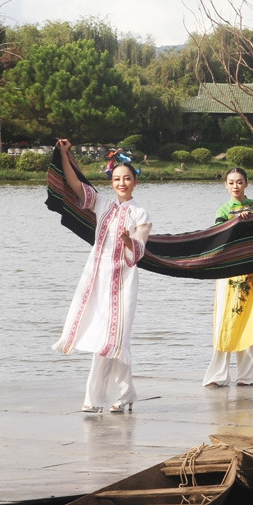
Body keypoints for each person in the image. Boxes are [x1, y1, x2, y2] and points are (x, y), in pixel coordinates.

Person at [52, 138, 152, 413]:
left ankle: (100, 399)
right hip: (98, 279)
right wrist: (63, 153)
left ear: (135, 181)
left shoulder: (139, 212)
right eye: (117, 179)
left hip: (124, 282)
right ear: (111, 182)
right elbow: (75, 185)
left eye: (127, 178)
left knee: (114, 339)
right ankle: (123, 394)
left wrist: (128, 240)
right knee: (108, 338)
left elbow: (140, 247)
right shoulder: (103, 205)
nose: (122, 183)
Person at [203, 167, 253, 387]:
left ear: (246, 184)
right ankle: (219, 376)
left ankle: (246, 377)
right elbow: (218, 237)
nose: (235, 186)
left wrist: (251, 220)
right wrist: (236, 222)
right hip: (229, 270)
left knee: (249, 319)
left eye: (239, 182)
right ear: (226, 185)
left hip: (252, 270)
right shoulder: (223, 210)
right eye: (231, 182)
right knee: (224, 320)